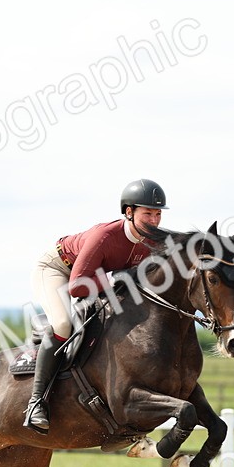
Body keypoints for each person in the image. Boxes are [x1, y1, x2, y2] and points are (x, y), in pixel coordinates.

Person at [23, 178, 168, 433]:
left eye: (158, 214)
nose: (154, 221)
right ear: (129, 212)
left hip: (96, 280)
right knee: (63, 324)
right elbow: (78, 286)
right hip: (59, 270)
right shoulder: (105, 236)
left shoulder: (154, 242)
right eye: (148, 214)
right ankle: (36, 403)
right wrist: (118, 278)